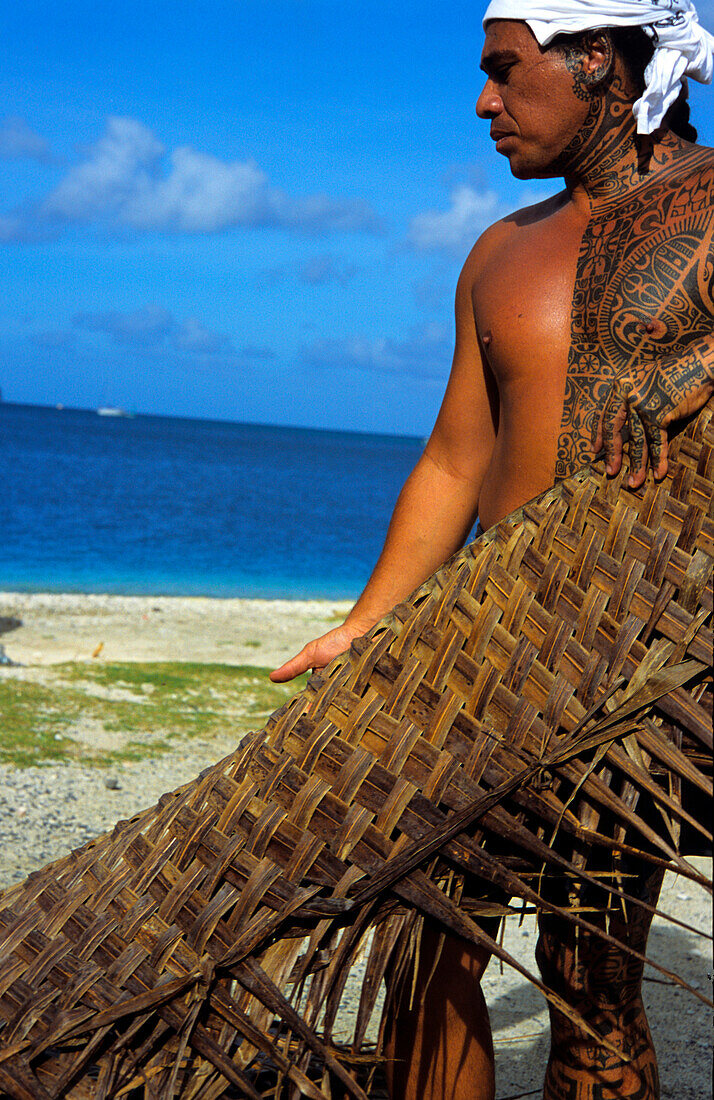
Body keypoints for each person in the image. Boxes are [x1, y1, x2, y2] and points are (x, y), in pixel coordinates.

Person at [272, 2, 714, 1097]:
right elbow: (454, 462)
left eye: (506, 71)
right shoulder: (498, 254)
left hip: (627, 676)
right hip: (478, 655)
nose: (484, 102)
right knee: (417, 949)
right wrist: (369, 623)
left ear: (599, 59)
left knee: (588, 991)